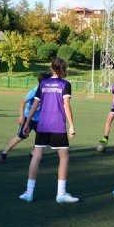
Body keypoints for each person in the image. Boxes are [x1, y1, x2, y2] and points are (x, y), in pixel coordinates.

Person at [19, 58, 78, 204]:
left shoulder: (43, 84)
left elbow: (34, 105)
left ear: (52, 68)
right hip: (58, 125)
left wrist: (27, 122)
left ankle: (29, 193)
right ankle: (61, 194)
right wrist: (71, 125)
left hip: (42, 125)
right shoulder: (65, 84)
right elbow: (66, 105)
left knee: (36, 157)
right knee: (63, 157)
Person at [0, 72, 49, 163]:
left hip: (40, 120)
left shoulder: (48, 92)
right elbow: (23, 102)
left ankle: (33, 154)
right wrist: (21, 116)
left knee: (43, 138)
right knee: (20, 137)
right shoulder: (34, 91)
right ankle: (4, 153)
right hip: (28, 118)